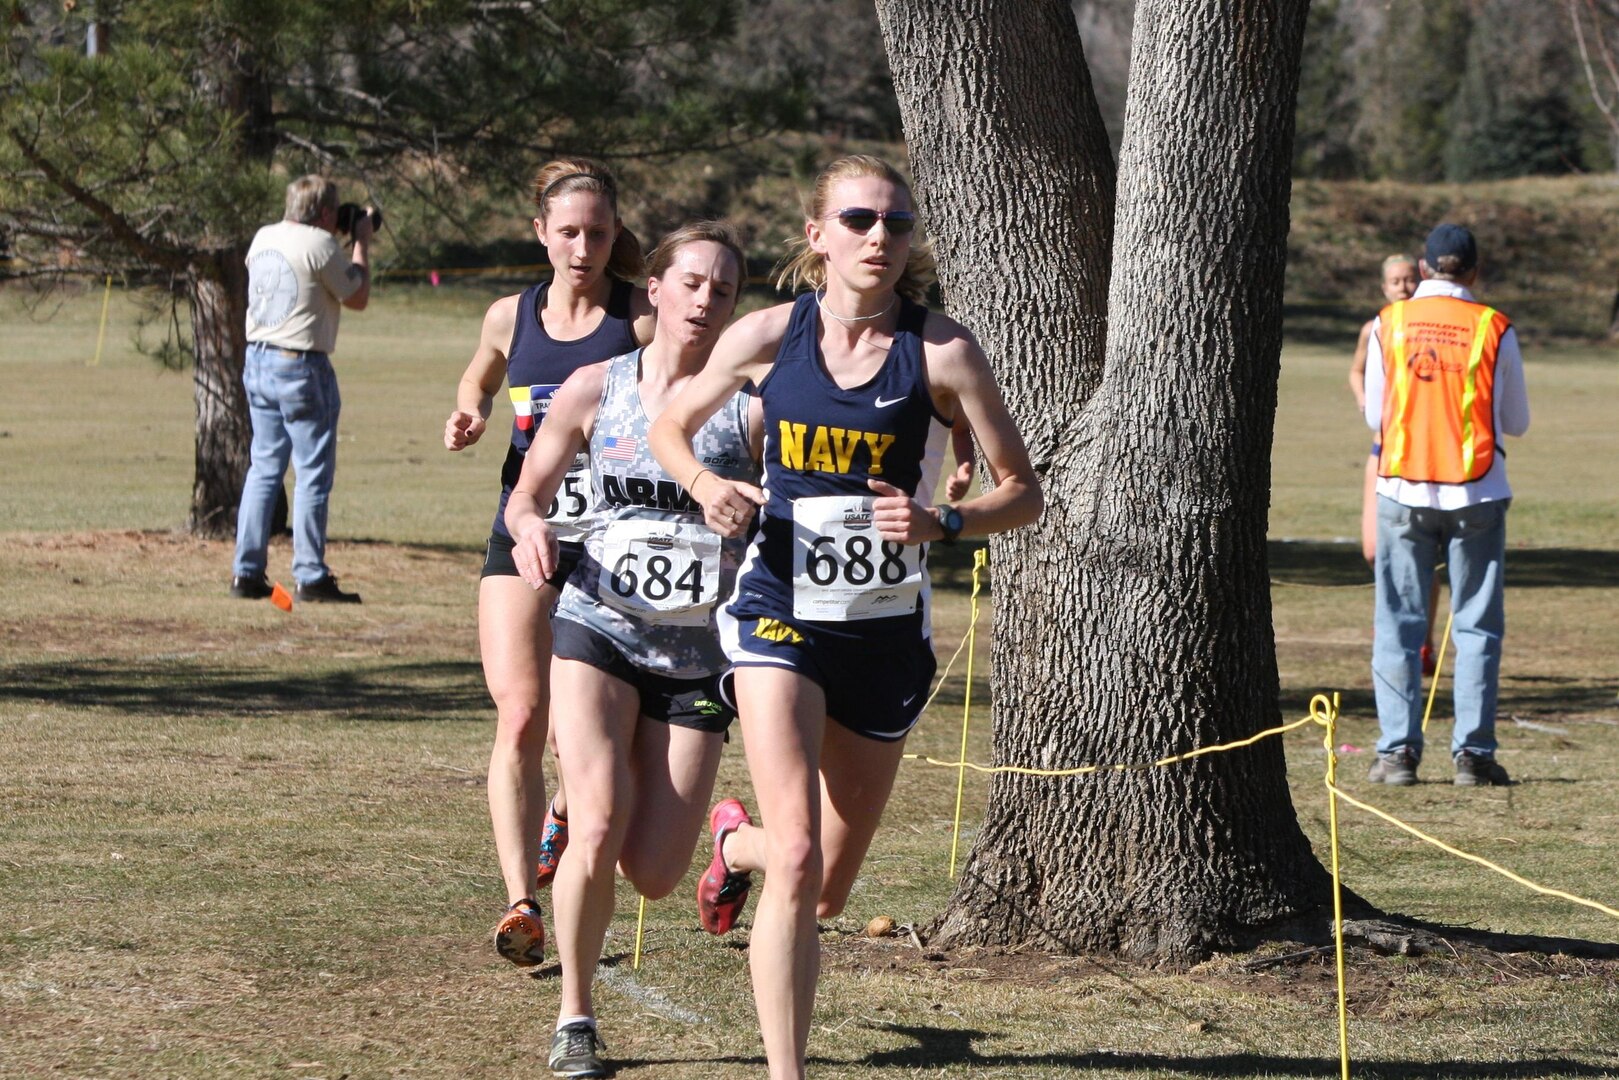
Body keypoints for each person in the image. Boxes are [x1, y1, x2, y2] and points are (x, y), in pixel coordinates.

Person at [649, 155, 1043, 1080]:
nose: (879, 238)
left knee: (819, 887)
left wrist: (945, 519)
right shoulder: (768, 334)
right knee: (796, 854)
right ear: (817, 235)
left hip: (882, 632)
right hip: (776, 608)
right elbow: (668, 422)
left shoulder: (941, 350)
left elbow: (1023, 493)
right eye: (859, 220)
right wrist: (707, 483)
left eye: (896, 225)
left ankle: (728, 842)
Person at [505, 221, 760, 1080]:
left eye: (722, 290)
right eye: (689, 283)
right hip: (597, 625)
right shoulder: (594, 387)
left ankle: (715, 840)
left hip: (695, 655)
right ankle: (575, 1017)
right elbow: (525, 495)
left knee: (651, 874)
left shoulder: (751, 405)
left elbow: (795, 509)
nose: (704, 301)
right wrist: (532, 527)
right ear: (653, 288)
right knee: (601, 823)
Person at [442, 159, 654, 966]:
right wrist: (469, 409)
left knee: (583, 737)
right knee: (522, 716)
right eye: (567, 231)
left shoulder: (638, 319)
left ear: (614, 236)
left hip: (611, 542)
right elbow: (480, 374)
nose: (582, 247)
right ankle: (520, 901)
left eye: (597, 233)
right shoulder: (510, 316)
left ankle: (565, 815)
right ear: (540, 232)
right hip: (522, 533)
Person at [1363, 223, 1529, 788]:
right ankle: (1474, 757)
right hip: (1477, 490)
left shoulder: (1390, 324)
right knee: (1478, 628)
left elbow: (1375, 418)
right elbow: (1517, 422)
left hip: (1402, 490)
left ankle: (1396, 755)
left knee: (1398, 624)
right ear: (1475, 271)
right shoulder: (1494, 327)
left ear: (1423, 266)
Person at [231, 175, 373, 603]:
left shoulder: (264, 236)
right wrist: (361, 242)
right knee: (312, 474)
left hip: (258, 358)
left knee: (264, 469)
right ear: (326, 214)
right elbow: (357, 296)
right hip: (301, 364)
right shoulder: (319, 244)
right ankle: (310, 575)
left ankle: (247, 571)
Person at [1350, 254, 1438, 675]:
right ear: (1383, 287)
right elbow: (1357, 371)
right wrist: (1365, 398)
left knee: (1424, 553)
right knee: (1374, 550)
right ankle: (1395, 621)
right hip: (1380, 448)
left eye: (1408, 280)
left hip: (1419, 451)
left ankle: (1422, 638)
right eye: (1394, 282)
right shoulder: (1377, 328)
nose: (1402, 287)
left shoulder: (1428, 329)